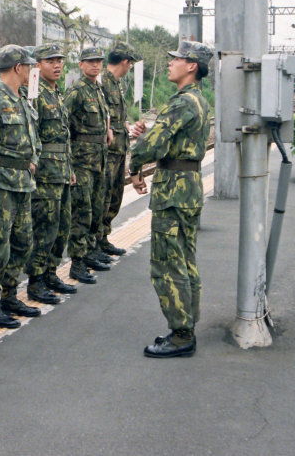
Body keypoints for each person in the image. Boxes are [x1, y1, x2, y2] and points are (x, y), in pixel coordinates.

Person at [128, 40, 212, 358]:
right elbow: (164, 141)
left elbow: (152, 145)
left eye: (176, 59)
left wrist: (135, 164)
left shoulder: (181, 102)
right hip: (188, 187)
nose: (170, 63)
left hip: (173, 192)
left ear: (192, 66)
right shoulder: (199, 101)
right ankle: (187, 324)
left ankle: (181, 334)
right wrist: (147, 137)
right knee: (186, 260)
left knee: (166, 264)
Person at [0, 44, 41, 326]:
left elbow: (32, 135)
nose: (30, 71)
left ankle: (10, 294)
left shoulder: (23, 98)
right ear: (18, 68)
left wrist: (33, 158)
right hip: (0, 184)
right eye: (28, 66)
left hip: (23, 182)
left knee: (23, 240)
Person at [25, 43, 77, 304]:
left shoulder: (56, 93)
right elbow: (33, 136)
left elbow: (64, 136)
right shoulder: (34, 94)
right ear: (37, 65)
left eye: (59, 60)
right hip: (45, 173)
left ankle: (50, 272)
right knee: (45, 227)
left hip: (61, 171)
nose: (57, 65)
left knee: (61, 226)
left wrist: (70, 168)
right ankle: (35, 280)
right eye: (50, 61)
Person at [64, 46, 113, 284]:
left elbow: (103, 119)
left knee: (96, 208)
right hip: (82, 161)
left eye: (99, 61)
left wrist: (108, 129)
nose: (95, 65)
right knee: (81, 212)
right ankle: (77, 261)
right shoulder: (76, 91)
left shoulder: (98, 89)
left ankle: (91, 250)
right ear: (81, 65)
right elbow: (64, 128)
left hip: (99, 159)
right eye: (90, 61)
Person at [100, 41, 140, 258]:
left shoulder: (115, 84)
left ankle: (103, 237)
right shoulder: (103, 83)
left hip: (119, 150)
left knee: (114, 196)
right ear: (125, 62)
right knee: (104, 197)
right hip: (108, 152)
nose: (130, 68)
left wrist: (127, 128)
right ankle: (96, 241)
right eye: (130, 64)